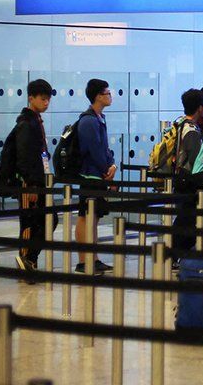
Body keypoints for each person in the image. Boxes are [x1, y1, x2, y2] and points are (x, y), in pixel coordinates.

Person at [5, 79, 56, 274]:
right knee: (29, 223)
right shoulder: (26, 124)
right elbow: (25, 158)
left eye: (48, 99)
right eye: (42, 99)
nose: (46, 103)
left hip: (38, 180)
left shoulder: (35, 121)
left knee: (47, 220)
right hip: (30, 183)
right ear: (31, 98)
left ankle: (29, 259)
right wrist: (32, 185)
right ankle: (25, 261)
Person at [75, 78, 116, 275]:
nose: (111, 96)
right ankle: (83, 261)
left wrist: (112, 165)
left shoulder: (99, 118)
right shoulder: (89, 120)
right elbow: (94, 150)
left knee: (95, 217)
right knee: (85, 217)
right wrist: (106, 168)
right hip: (90, 175)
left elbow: (104, 147)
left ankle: (94, 257)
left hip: (99, 175)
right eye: (108, 93)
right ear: (98, 96)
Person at [171, 89, 203, 256]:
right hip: (187, 181)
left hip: (180, 178)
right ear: (200, 107)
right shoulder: (191, 129)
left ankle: (178, 254)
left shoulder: (181, 123)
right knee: (187, 220)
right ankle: (178, 255)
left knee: (184, 218)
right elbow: (195, 159)